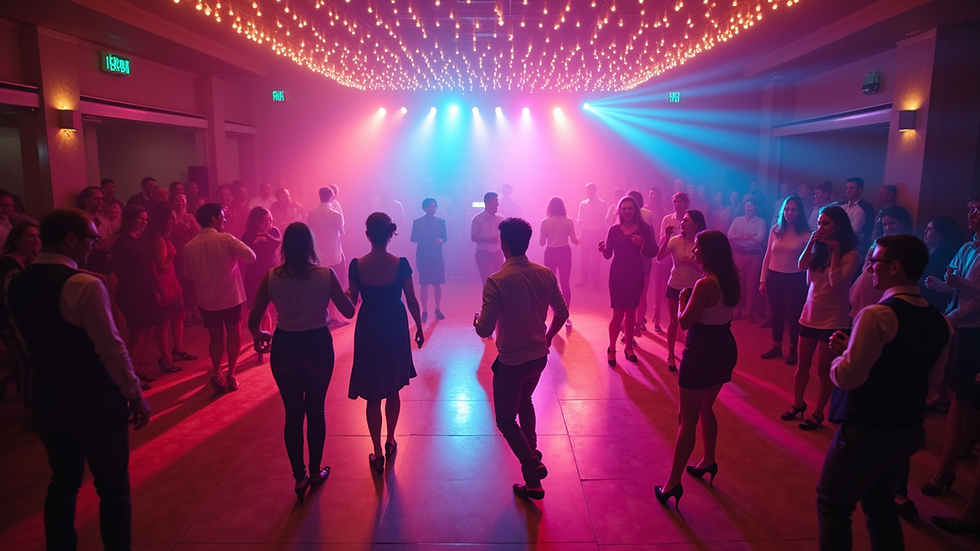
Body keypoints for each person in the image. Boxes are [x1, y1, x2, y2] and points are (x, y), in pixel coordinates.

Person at [7, 208, 150, 551]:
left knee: (62, 482)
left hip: (47, 397)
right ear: (71, 239)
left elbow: (23, 340)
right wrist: (134, 394)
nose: (94, 246)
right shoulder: (83, 284)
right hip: (92, 400)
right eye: (91, 238)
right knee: (113, 486)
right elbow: (111, 349)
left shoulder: (16, 282)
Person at [817, 234, 951, 551]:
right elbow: (931, 380)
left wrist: (841, 355)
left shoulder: (877, 315)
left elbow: (848, 378)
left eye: (874, 261)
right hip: (907, 428)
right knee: (880, 506)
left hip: (868, 428)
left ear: (895, 266)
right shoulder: (942, 322)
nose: (870, 267)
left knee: (833, 505)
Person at [249, 222, 355, 502]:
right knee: (316, 411)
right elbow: (348, 311)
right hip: (317, 344)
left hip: (285, 345)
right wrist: (347, 293)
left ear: (284, 246)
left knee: (293, 414)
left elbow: (253, 319)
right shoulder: (325, 274)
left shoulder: (271, 277)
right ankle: (317, 470)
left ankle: (299, 477)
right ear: (311, 245)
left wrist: (259, 334)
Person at [475, 217, 568, 500]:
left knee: (505, 419)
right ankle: (533, 478)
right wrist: (549, 337)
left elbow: (485, 329)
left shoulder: (497, 281)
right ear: (526, 243)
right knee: (525, 403)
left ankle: (531, 463)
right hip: (538, 358)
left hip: (512, 363)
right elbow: (562, 313)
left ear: (503, 245)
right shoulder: (545, 274)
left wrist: (477, 320)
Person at [655, 230, 740, 510]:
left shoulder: (705, 284)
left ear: (709, 253)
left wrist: (682, 300)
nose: (693, 253)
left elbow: (686, 322)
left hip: (702, 350)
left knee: (686, 418)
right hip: (725, 347)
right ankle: (708, 461)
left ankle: (673, 482)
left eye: (698, 250)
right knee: (706, 409)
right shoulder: (731, 280)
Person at [348, 213, 424, 474]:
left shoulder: (357, 265)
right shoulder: (400, 264)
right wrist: (420, 328)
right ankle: (391, 439)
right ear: (390, 235)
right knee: (393, 388)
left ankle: (377, 452)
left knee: (372, 394)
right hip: (394, 324)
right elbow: (412, 300)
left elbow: (351, 304)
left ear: (368, 235)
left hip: (369, 324)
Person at [781, 206, 861, 430]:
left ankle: (818, 413)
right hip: (810, 313)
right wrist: (811, 243)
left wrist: (836, 252)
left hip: (833, 318)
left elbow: (837, 283)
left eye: (825, 223)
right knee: (802, 365)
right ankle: (798, 404)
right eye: (819, 223)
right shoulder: (818, 247)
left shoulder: (851, 254)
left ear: (839, 225)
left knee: (823, 369)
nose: (820, 227)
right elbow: (801, 266)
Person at [921, 198, 980, 498]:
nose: (971, 214)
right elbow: (956, 281)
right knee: (960, 399)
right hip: (962, 327)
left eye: (977, 210)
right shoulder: (969, 248)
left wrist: (947, 319)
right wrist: (945, 286)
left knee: (965, 404)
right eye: (970, 209)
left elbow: (976, 300)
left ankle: (952, 462)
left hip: (975, 332)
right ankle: (949, 465)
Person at [183, 202, 257, 393]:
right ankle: (231, 374)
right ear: (214, 218)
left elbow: (189, 274)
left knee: (215, 336)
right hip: (231, 297)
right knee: (233, 332)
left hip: (207, 300)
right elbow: (251, 256)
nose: (225, 219)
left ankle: (217, 372)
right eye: (222, 216)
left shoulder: (190, 246)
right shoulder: (226, 239)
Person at [600, 196, 657, 366]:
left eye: (630, 208)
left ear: (635, 210)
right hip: (617, 274)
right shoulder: (613, 230)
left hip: (635, 274)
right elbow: (608, 254)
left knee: (631, 314)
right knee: (617, 314)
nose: (627, 211)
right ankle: (611, 348)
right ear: (619, 211)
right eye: (624, 208)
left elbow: (653, 251)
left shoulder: (645, 229)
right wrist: (603, 249)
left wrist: (642, 244)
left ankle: (629, 347)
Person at [110, 205, 161, 387]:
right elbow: (116, 273)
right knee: (136, 334)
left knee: (150, 329)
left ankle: (136, 369)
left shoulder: (141, 241)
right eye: (141, 219)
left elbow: (147, 269)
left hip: (145, 291)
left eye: (146, 219)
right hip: (130, 293)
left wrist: (154, 289)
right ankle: (130, 377)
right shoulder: (122, 243)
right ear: (131, 219)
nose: (145, 222)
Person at [0, 221, 41, 428]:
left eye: (37, 236)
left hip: (24, 321)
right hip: (10, 322)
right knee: (27, 364)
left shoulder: (27, 261)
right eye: (30, 236)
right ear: (16, 239)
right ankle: (29, 414)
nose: (36, 240)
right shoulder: (7, 263)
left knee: (26, 362)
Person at [759, 196, 810, 364]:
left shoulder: (805, 234)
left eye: (793, 209)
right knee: (777, 314)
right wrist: (762, 280)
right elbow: (768, 256)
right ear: (783, 211)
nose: (789, 212)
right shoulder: (776, 230)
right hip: (775, 276)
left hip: (795, 278)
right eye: (787, 209)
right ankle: (776, 345)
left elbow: (809, 261)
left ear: (799, 212)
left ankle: (793, 348)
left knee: (793, 314)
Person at [147, 203, 195, 373]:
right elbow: (160, 267)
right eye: (171, 218)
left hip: (172, 283)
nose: (175, 222)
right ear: (163, 220)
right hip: (164, 285)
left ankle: (178, 350)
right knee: (164, 323)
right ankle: (165, 358)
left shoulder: (166, 236)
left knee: (179, 316)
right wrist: (172, 256)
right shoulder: (159, 239)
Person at [657, 209, 705, 371]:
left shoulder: (701, 244)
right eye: (682, 220)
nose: (682, 223)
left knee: (695, 324)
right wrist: (666, 237)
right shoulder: (675, 240)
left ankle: (693, 354)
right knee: (673, 321)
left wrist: (691, 263)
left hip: (694, 288)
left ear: (696, 225)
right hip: (675, 285)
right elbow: (659, 257)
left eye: (686, 221)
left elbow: (705, 269)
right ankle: (671, 355)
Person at [849, 205, 914, 318]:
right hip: (871, 278)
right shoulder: (880, 240)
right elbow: (867, 260)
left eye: (892, 223)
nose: (888, 228)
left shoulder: (908, 242)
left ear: (902, 222)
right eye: (884, 225)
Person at [242, 207, 282, 361]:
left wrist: (264, 236)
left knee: (269, 310)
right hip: (255, 275)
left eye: (270, 219)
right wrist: (256, 240)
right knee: (260, 309)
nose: (269, 223)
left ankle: (266, 339)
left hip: (272, 273)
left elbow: (276, 243)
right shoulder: (247, 235)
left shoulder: (273, 232)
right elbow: (247, 251)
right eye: (264, 220)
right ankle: (262, 337)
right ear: (256, 221)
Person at [539, 196, 579, 328]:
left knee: (549, 284)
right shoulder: (569, 221)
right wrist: (577, 240)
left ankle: (544, 317)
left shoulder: (545, 222)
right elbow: (573, 239)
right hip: (565, 252)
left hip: (550, 252)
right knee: (565, 284)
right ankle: (566, 316)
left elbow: (541, 242)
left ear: (549, 208)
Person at [655, 192, 691, 335]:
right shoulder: (667, 219)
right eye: (675, 202)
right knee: (659, 286)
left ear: (686, 203)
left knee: (678, 290)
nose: (677, 204)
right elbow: (661, 241)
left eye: (680, 202)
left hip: (681, 259)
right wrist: (668, 234)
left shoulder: (690, 219)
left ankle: (679, 322)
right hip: (666, 257)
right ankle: (656, 317)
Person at [728, 198, 768, 322]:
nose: (748, 208)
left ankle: (749, 312)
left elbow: (761, 239)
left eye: (750, 206)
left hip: (754, 256)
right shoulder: (737, 220)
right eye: (746, 206)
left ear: (755, 208)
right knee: (738, 285)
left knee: (750, 286)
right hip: (739, 254)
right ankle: (736, 311)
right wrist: (746, 236)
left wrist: (740, 236)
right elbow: (730, 236)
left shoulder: (761, 222)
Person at [411, 197, 448, 322]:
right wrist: (424, 238)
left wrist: (440, 240)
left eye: (434, 206)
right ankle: (424, 310)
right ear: (424, 208)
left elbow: (445, 237)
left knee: (437, 284)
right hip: (423, 255)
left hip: (436, 255)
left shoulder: (441, 221)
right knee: (424, 284)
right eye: (429, 207)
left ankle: (437, 308)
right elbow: (413, 238)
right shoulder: (417, 222)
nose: (432, 209)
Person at [920, 216, 966, 310]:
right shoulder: (928, 252)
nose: (925, 231)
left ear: (939, 236)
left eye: (929, 230)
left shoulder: (943, 258)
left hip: (936, 304)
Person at [170, 192, 202, 325]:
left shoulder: (191, 217)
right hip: (178, 254)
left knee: (193, 282)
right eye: (177, 201)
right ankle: (186, 312)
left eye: (182, 200)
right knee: (183, 282)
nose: (181, 203)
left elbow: (198, 234)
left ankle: (195, 310)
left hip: (191, 252)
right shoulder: (172, 218)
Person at [577, 183, 608, 291]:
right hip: (586, 233)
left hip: (597, 233)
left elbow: (604, 221)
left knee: (596, 259)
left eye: (590, 190)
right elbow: (579, 220)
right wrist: (584, 223)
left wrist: (587, 222)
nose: (588, 192)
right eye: (587, 191)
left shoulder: (602, 204)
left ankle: (596, 282)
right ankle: (585, 279)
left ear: (595, 191)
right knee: (584, 258)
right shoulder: (583, 204)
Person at [832, 177, 876, 255]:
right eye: (847, 188)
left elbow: (858, 232)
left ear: (860, 190)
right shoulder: (841, 205)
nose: (848, 191)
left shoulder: (866, 207)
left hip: (855, 248)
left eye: (852, 188)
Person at [472, 191, 506, 283]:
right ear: (487, 204)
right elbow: (473, 237)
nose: (498, 205)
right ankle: (487, 297)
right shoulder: (477, 219)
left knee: (499, 281)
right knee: (488, 281)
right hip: (483, 255)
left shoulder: (501, 218)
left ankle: (498, 298)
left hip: (498, 253)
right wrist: (487, 239)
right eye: (495, 202)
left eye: (498, 202)